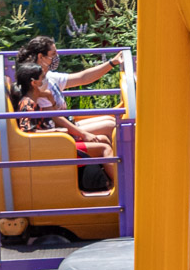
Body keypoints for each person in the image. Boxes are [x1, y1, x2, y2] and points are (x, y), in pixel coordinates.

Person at [11, 61, 115, 189]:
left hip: (55, 143)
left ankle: (108, 180)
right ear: (34, 83)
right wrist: (56, 132)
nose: (46, 80)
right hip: (51, 147)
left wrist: (51, 100)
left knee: (103, 139)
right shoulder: (27, 103)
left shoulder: (36, 99)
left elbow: (53, 115)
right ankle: (120, 187)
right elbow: (27, 133)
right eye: (43, 78)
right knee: (104, 148)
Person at [16, 37, 121, 146]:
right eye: (53, 54)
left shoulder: (48, 77)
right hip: (62, 131)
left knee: (110, 120)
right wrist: (83, 134)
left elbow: (83, 78)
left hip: (68, 123)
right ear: (41, 57)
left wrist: (112, 62)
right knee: (111, 126)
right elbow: (55, 119)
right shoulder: (39, 85)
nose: (56, 58)